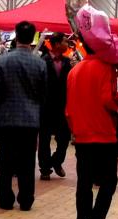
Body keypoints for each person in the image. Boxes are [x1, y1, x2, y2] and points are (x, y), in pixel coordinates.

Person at [67, 4, 118, 219]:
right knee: (109, 181)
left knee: (84, 182)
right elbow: (109, 101)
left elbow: (69, 108)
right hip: (102, 135)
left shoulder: (75, 70)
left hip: (81, 134)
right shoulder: (105, 69)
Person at [0, 21, 46, 211]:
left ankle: (5, 199)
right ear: (33, 38)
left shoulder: (3, 60)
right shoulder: (40, 63)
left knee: (5, 160)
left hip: (7, 117)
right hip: (30, 119)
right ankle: (26, 199)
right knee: (27, 161)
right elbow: (43, 92)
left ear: (16, 35)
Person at [38, 32, 72, 181]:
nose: (68, 44)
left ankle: (57, 161)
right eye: (65, 41)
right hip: (45, 107)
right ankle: (45, 168)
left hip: (63, 107)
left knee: (64, 139)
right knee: (44, 139)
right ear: (57, 44)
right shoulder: (42, 61)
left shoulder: (68, 62)